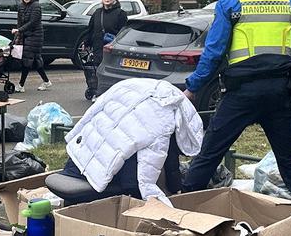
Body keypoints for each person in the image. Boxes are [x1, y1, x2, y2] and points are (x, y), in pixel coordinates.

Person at [179, 0, 291, 206]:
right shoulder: (289, 3)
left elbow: (213, 53)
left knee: (209, 155)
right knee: (290, 162)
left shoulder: (230, 4)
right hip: (280, 92)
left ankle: (182, 208)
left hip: (240, 93)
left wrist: (193, 87)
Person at [49, 78, 205, 205]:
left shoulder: (126, 90)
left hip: (77, 162)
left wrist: (71, 137)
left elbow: (89, 117)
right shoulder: (162, 121)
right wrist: (175, 193)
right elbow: (149, 175)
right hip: (112, 181)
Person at [83, 0, 127, 100]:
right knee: (98, 70)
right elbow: (90, 29)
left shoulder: (120, 14)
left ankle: (113, 93)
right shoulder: (97, 13)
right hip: (98, 46)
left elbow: (123, 32)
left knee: (110, 71)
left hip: (113, 47)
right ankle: (98, 92)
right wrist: (86, 42)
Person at [13, 0, 50, 91]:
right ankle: (46, 81)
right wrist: (18, 34)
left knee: (27, 59)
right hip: (26, 34)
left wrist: (20, 30)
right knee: (35, 60)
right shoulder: (20, 6)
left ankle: (21, 85)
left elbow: (33, 22)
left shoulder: (36, 6)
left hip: (36, 35)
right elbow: (19, 21)